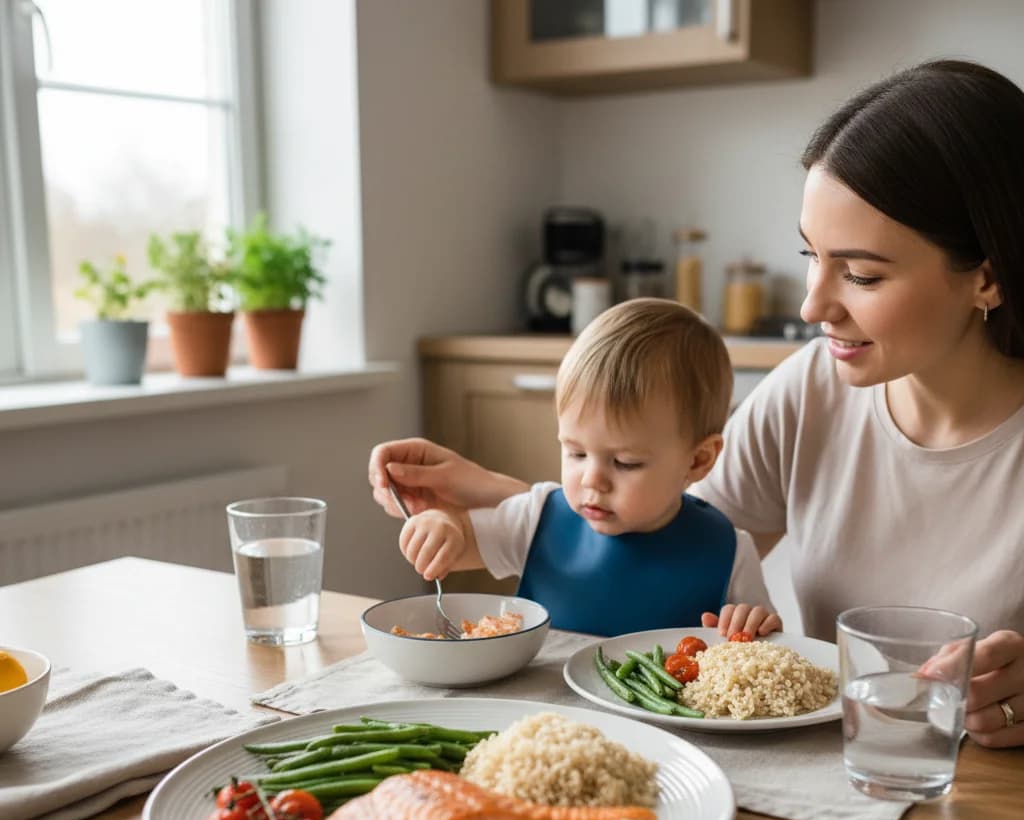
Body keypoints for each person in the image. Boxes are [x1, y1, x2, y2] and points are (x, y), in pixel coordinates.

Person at [369, 59, 1024, 750]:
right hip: (841, 766)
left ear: (986, 276)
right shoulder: (814, 389)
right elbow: (667, 530)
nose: (811, 305)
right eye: (811, 255)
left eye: (861, 273)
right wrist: (509, 503)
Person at [388, 298, 781, 638]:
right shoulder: (537, 516)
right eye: (575, 453)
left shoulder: (729, 550)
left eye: (625, 463)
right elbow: (464, 540)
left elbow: (765, 649)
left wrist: (755, 625)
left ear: (698, 460)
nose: (592, 480)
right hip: (546, 722)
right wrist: (444, 527)